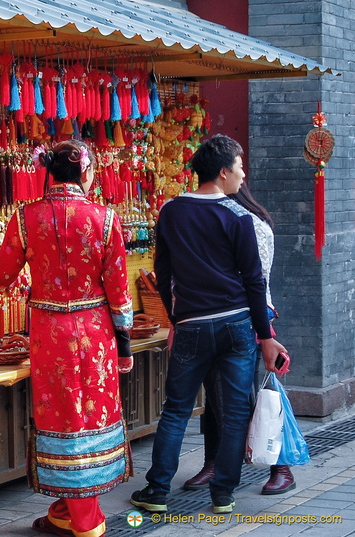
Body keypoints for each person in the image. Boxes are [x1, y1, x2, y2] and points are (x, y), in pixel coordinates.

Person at [129, 134, 287, 515]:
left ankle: (156, 492)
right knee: (234, 413)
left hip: (192, 325)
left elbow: (163, 273)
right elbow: (254, 282)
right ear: (222, 172)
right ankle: (223, 495)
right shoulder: (238, 217)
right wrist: (265, 337)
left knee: (177, 409)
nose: (242, 174)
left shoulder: (171, 211)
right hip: (236, 324)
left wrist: (175, 320)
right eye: (239, 166)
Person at [0, 139, 134, 537]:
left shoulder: (25, 218)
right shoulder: (105, 218)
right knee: (89, 415)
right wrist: (124, 341)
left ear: (48, 171)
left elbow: (0, 278)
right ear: (85, 173)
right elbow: (119, 289)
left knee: (63, 417)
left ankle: (72, 513)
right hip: (95, 330)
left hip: (49, 334)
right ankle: (84, 520)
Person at [183, 182, 295, 495]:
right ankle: (214, 461)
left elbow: (257, 280)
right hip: (210, 317)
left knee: (239, 393)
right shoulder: (209, 221)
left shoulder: (251, 224)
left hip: (246, 318)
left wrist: (263, 329)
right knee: (214, 391)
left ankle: (280, 464)